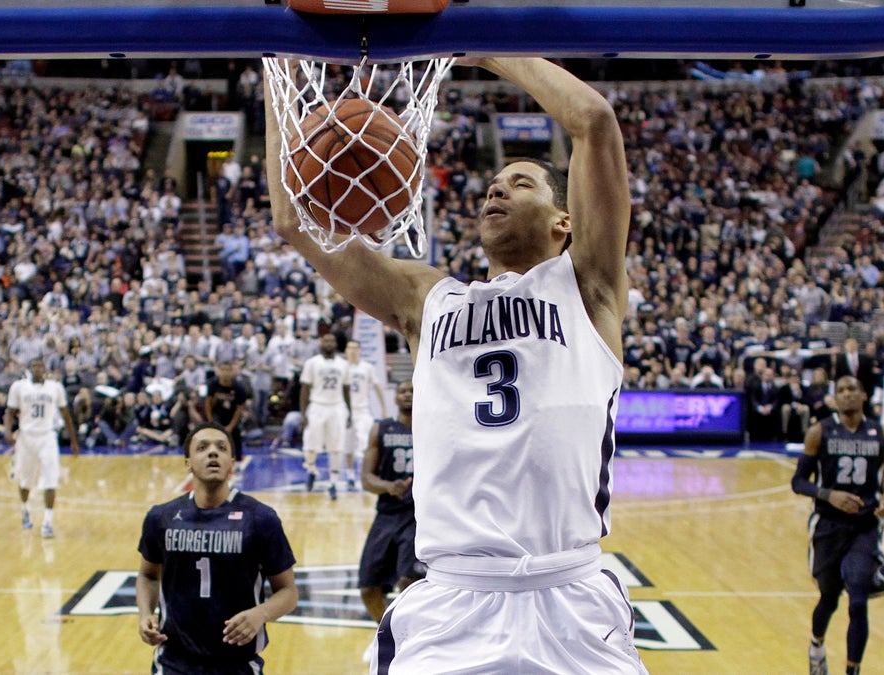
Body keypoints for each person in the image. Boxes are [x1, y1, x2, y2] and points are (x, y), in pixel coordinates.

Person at [265, 56, 645, 672]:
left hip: (568, 596)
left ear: (564, 220)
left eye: (521, 183)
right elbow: (292, 220)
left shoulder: (587, 285)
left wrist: (487, 47)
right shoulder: (428, 298)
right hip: (451, 600)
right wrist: (274, 64)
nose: (496, 188)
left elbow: (594, 121)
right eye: (494, 183)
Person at [135, 423, 298, 674]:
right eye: (202, 448)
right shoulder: (161, 517)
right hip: (173, 661)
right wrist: (145, 613)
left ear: (232, 463)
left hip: (237, 663)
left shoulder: (260, 518)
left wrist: (260, 614)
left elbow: (288, 591)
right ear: (187, 462)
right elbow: (147, 575)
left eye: (221, 448)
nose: (213, 453)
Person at [791, 376, 884, 675]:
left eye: (853, 390)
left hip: (864, 525)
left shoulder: (881, 434)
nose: (848, 395)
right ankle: (816, 645)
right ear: (835, 399)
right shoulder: (819, 432)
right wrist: (828, 495)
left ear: (864, 395)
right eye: (842, 391)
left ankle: (852, 670)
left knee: (858, 600)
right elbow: (798, 482)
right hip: (828, 525)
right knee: (829, 597)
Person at [358, 380, 421, 625]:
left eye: (412, 391)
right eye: (403, 391)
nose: (407, 395)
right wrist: (388, 486)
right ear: (395, 398)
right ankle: (387, 634)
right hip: (386, 514)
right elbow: (366, 479)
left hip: (418, 516)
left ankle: (412, 638)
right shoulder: (381, 429)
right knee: (368, 588)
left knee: (409, 582)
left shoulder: (431, 427)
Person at [4, 357, 79, 538]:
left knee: (51, 480)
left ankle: (47, 522)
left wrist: (73, 440)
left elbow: (66, 414)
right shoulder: (18, 387)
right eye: (34, 366)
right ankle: (25, 509)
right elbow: (10, 412)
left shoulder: (55, 387)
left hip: (47, 437)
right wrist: (7, 431)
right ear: (30, 368)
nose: (38, 369)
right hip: (26, 437)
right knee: (25, 480)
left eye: (41, 366)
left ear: (45, 369)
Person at [299, 332, 351, 500]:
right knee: (311, 446)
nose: (329, 343)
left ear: (336, 344)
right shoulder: (311, 363)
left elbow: (346, 389)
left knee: (336, 448)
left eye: (332, 340)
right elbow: (305, 389)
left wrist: (349, 411)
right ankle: (312, 470)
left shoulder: (344, 364)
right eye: (326, 340)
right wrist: (303, 413)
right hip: (317, 406)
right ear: (321, 343)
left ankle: (333, 483)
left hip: (336, 407)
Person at [345, 339, 388, 489]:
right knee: (347, 447)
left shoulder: (367, 368)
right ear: (346, 351)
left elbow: (378, 388)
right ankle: (350, 475)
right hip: (346, 413)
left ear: (359, 350)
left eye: (355, 348)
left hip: (363, 411)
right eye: (349, 348)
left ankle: (364, 476)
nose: (352, 351)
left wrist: (384, 408)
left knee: (365, 446)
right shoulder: (342, 367)